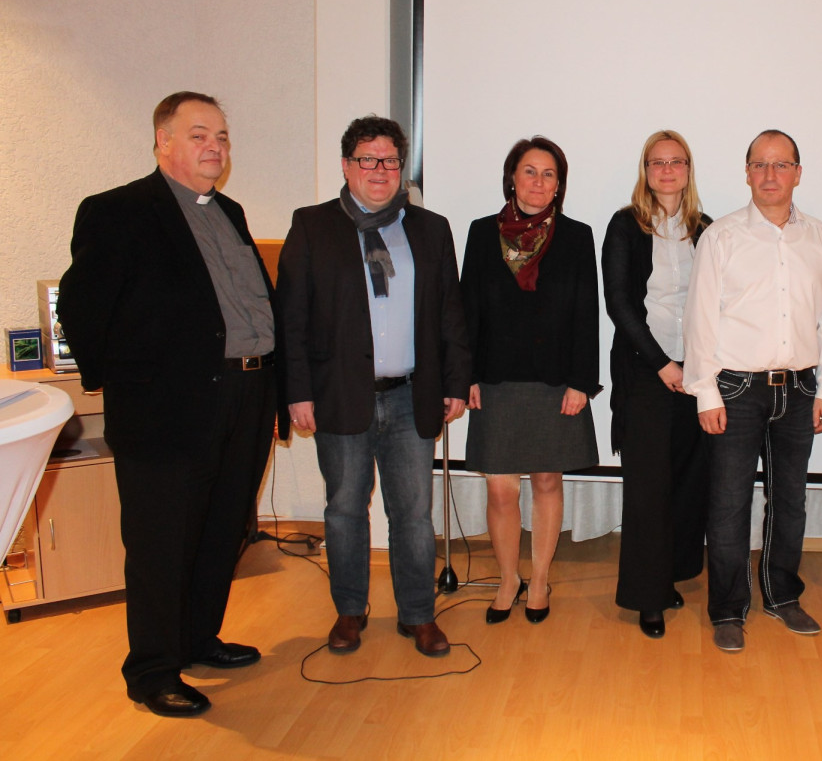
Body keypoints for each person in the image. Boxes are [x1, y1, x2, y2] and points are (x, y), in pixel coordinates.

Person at [58, 92, 281, 717]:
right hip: (168, 410)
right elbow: (83, 307)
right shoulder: (119, 211)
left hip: (246, 395)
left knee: (220, 528)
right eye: (199, 135)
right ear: (163, 141)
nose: (215, 147)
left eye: (223, 137)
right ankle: (152, 669)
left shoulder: (229, 212)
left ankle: (197, 639)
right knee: (161, 541)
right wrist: (128, 382)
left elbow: (247, 305)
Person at [275, 115, 470, 658]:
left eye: (389, 160)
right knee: (343, 509)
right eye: (367, 159)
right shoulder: (312, 226)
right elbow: (291, 318)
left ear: (400, 168)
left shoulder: (430, 229)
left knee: (412, 513)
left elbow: (450, 313)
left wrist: (455, 381)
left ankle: (417, 614)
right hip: (339, 395)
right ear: (346, 166)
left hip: (412, 395)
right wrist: (296, 392)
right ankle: (349, 611)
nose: (380, 171)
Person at [683, 129, 822, 653]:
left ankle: (780, 595)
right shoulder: (722, 237)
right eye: (760, 165)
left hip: (799, 389)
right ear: (746, 172)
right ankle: (728, 609)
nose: (770, 175)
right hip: (735, 389)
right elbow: (700, 317)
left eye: (781, 165)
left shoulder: (819, 237)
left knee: (789, 501)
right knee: (729, 505)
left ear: (798, 172)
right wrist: (705, 391)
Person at [460, 136, 600, 625]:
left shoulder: (578, 236)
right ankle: (507, 578)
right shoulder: (481, 234)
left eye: (549, 174)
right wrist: (466, 376)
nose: (539, 182)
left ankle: (539, 578)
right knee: (500, 490)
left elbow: (587, 314)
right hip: (496, 381)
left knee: (546, 479)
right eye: (529, 172)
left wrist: (582, 382)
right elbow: (467, 311)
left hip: (555, 381)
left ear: (559, 184)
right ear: (512, 177)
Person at [604, 130, 712, 639]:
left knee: (689, 480)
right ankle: (646, 597)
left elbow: (717, 303)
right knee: (648, 487)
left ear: (689, 169)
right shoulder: (625, 226)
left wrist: (699, 367)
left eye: (676, 162)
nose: (667, 171)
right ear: (645, 171)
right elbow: (620, 305)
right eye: (657, 162)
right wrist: (662, 364)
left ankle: (671, 575)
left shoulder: (708, 229)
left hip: (698, 373)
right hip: (647, 372)